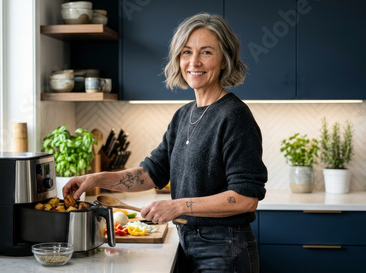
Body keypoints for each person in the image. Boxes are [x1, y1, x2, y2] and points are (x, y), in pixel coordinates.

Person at [63, 12, 267, 273]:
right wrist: (97, 178)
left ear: (224, 60)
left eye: (206, 52)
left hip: (226, 248)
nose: (194, 62)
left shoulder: (234, 116)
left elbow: (246, 198)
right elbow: (150, 173)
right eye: (186, 52)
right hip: (189, 243)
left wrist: (178, 205)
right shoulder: (183, 115)